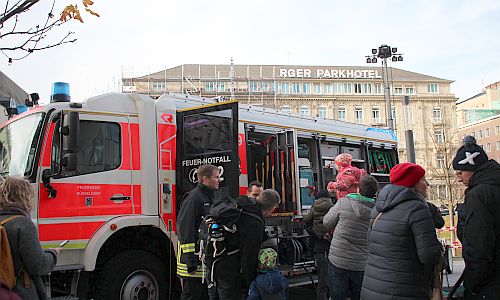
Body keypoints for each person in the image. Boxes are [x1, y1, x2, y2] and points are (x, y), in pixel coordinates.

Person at [360, 163, 441, 300]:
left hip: (372, 287)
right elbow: (428, 255)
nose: (426, 184)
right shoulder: (417, 209)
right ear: (413, 184)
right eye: (422, 179)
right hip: (404, 290)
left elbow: (371, 243)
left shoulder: (378, 209)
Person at [208, 189, 281, 300]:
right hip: (231, 273)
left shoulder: (241, 207)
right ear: (272, 208)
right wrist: (249, 282)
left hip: (215, 267)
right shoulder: (253, 221)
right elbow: (249, 255)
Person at [452, 136, 500, 299]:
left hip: (489, 283)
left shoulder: (478, 195)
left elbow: (479, 245)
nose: (459, 178)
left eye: (460, 172)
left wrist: (472, 284)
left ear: (473, 168)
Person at [0, 176, 61, 300]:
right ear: (25, 197)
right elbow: (38, 265)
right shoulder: (23, 224)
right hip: (19, 292)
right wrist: (53, 253)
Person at [323, 175, 379, 300]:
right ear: (375, 193)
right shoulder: (377, 211)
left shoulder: (343, 203)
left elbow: (326, 222)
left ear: (358, 189)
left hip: (338, 260)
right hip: (362, 263)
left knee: (338, 296)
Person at [177, 164, 220, 300]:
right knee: (192, 295)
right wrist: (190, 259)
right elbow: (186, 228)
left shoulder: (208, 197)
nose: (219, 180)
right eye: (216, 177)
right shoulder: (194, 198)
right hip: (193, 262)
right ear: (205, 179)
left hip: (202, 259)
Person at [302, 189, 333, 300]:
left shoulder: (314, 208)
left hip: (320, 246)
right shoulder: (333, 208)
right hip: (331, 246)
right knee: (331, 279)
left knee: (322, 280)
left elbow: (306, 219)